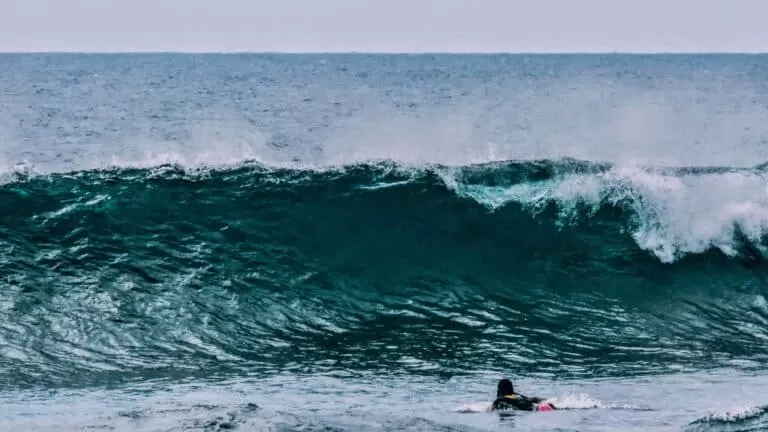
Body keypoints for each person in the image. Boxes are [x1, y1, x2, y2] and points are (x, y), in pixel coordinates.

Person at [489, 379, 555, 412]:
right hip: (539, 408)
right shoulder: (518, 395)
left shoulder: (500, 399)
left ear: (500, 390)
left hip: (530, 411)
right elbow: (534, 399)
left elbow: (491, 410)